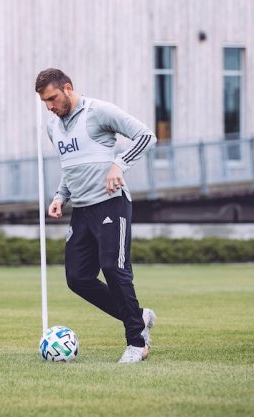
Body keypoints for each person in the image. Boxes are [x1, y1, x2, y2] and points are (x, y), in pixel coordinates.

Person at [35, 68, 157, 363]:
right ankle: (138, 316)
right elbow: (71, 166)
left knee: (114, 269)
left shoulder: (99, 111)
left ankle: (137, 342)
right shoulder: (53, 127)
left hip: (111, 204)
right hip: (81, 210)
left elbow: (146, 136)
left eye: (52, 98)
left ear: (67, 88)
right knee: (77, 278)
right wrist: (60, 196)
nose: (49, 107)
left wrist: (119, 164)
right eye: (44, 102)